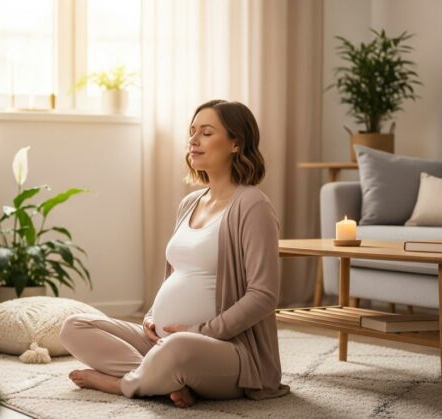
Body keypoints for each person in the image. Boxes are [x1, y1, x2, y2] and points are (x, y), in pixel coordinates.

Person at [59, 99, 289, 408]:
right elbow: (179, 274)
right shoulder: (190, 203)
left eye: (206, 133)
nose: (193, 140)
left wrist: (201, 331)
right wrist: (153, 315)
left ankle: (125, 384)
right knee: (73, 326)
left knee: (178, 348)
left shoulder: (252, 205)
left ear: (236, 143)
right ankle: (165, 380)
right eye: (192, 131)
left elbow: (263, 295)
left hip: (228, 350)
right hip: (163, 342)